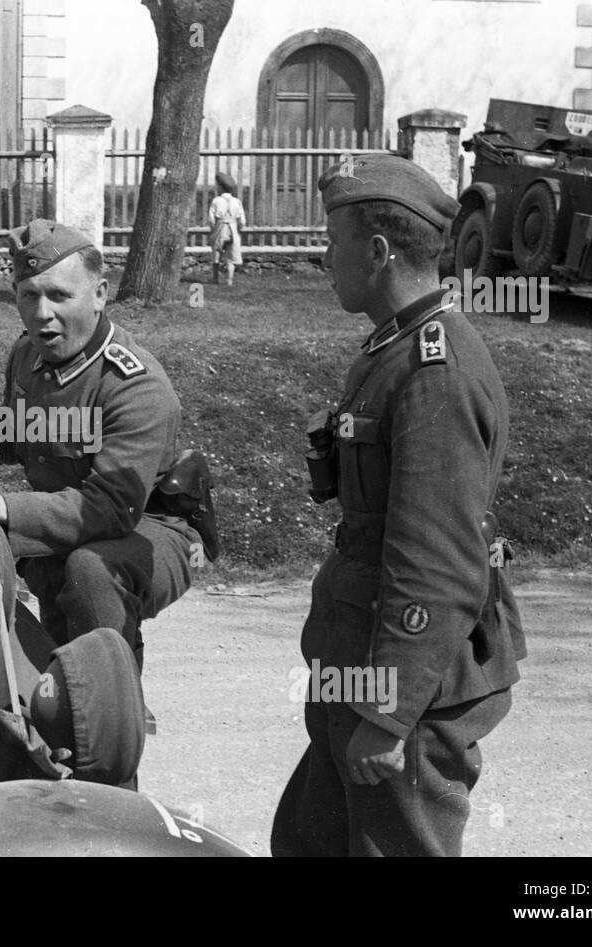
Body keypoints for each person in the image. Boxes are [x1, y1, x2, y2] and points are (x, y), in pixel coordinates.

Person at [270, 154, 526, 857]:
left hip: (408, 688)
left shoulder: (434, 370)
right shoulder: (395, 345)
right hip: (357, 655)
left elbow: (436, 563)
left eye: (333, 240)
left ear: (379, 251)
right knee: (305, 841)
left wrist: (387, 713)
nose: (325, 257)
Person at [0, 219, 205, 671]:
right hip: (70, 517)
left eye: (59, 295)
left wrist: (3, 505)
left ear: (100, 294)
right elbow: (23, 428)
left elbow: (110, 509)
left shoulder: (135, 386)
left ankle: (110, 697)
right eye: (28, 294)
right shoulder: (29, 354)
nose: (41, 313)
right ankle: (36, 685)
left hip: (148, 527)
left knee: (89, 571)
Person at [208, 170, 245, 286]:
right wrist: (239, 228)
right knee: (231, 254)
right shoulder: (237, 202)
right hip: (233, 229)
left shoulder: (216, 201)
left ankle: (215, 278)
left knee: (216, 252)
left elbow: (211, 219)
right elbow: (242, 220)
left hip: (220, 228)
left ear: (221, 187)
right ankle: (229, 280)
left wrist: (212, 228)